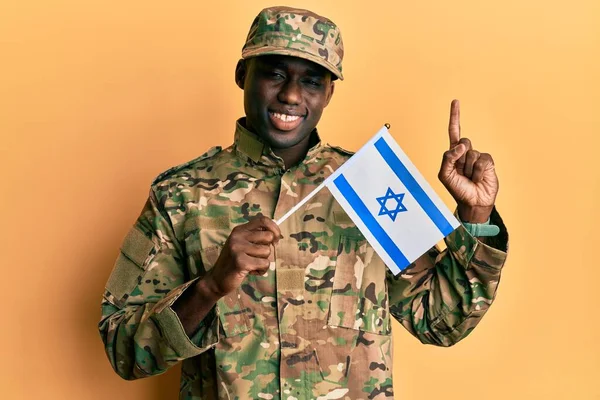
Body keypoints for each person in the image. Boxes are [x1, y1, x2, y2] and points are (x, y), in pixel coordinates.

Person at [99, 6, 508, 400]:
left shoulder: (368, 185)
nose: (292, 95)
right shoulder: (181, 195)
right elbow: (124, 351)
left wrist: (476, 214)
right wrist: (209, 287)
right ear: (243, 75)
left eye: (312, 81)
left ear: (329, 92)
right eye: (275, 74)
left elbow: (440, 322)